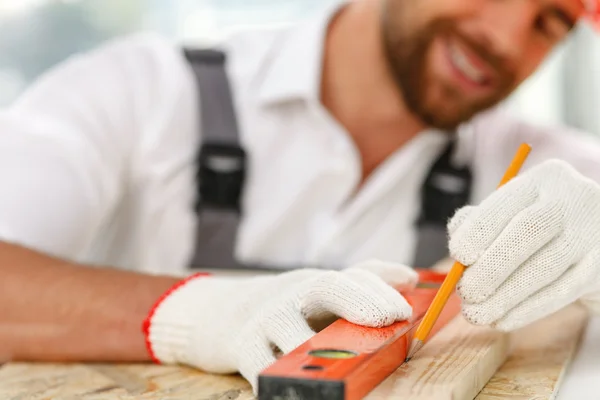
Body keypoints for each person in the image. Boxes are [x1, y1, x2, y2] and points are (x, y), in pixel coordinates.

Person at [1, 0, 600, 393]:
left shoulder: (538, 168)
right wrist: (192, 314)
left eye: (549, 21)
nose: (503, 35)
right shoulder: (134, 94)